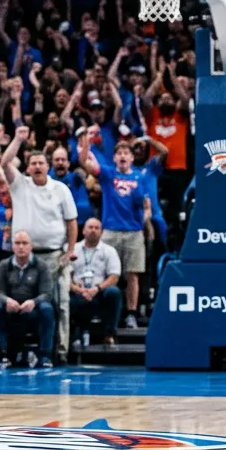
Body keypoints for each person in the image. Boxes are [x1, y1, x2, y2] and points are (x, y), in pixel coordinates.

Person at [0, 128, 77, 365]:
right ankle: (15, 353)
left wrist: (70, 250)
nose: (38, 166)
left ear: (48, 166)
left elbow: (71, 222)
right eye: (33, 163)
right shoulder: (20, 185)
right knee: (22, 305)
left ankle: (60, 352)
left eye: (42, 162)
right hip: (24, 257)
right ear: (29, 167)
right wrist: (18, 139)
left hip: (55, 254)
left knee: (61, 303)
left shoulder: (60, 189)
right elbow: (4, 161)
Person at [77, 130, 153, 330]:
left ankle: (131, 314)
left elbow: (147, 207)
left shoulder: (140, 177)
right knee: (104, 274)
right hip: (110, 230)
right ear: (114, 158)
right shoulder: (108, 174)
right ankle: (104, 313)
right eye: (119, 153)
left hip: (133, 232)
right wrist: (85, 142)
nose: (122, 156)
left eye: (126, 153)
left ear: (131, 157)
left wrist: (143, 220)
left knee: (132, 275)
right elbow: (85, 162)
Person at [0, 231, 55, 368]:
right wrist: (6, 300)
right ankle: (2, 355)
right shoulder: (4, 265)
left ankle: (45, 356)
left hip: (33, 308)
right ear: (12, 246)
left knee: (47, 308)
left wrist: (34, 302)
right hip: (11, 307)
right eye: (17, 243)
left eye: (24, 243)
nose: (21, 247)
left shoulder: (41, 265)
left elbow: (47, 293)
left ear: (31, 246)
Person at [69, 217, 123, 347]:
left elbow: (114, 276)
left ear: (101, 232)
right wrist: (77, 289)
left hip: (100, 292)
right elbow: (64, 276)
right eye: (90, 227)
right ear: (83, 231)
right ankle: (73, 336)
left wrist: (96, 289)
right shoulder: (72, 249)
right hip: (78, 292)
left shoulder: (109, 251)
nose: (93, 230)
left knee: (114, 292)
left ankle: (110, 334)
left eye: (96, 228)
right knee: (63, 295)